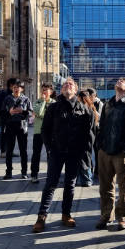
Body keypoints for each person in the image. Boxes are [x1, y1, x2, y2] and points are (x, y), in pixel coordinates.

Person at [32, 78, 94, 233]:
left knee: (70, 185)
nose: (68, 85)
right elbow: (45, 130)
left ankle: (66, 214)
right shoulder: (54, 107)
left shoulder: (83, 108)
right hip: (56, 152)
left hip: (74, 153)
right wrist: (50, 148)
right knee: (50, 184)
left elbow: (88, 133)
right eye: (65, 84)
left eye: (71, 84)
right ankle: (42, 216)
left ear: (76, 90)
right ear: (61, 90)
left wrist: (83, 152)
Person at [95, 77, 125, 231]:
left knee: (123, 187)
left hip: (121, 153)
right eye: (118, 80)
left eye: (123, 81)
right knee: (105, 186)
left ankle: (123, 217)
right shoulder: (107, 104)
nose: (119, 81)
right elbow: (101, 127)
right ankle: (106, 215)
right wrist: (100, 146)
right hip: (105, 151)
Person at [2, 80, 33, 180]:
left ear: (22, 89)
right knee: (9, 151)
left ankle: (24, 172)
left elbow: (31, 113)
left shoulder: (26, 99)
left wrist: (22, 111)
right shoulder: (7, 99)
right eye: (14, 87)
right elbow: (2, 113)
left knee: (23, 150)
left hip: (22, 127)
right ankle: (8, 172)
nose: (16, 89)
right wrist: (9, 112)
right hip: (10, 126)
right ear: (12, 88)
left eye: (18, 87)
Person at [30, 84, 55, 183]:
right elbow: (38, 112)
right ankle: (34, 175)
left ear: (51, 92)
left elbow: (52, 117)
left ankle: (51, 174)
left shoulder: (54, 103)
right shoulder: (37, 102)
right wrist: (44, 101)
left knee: (51, 154)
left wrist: (43, 116)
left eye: (46, 90)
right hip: (38, 131)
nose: (44, 92)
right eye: (43, 90)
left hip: (50, 132)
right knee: (36, 154)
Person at [76, 90, 99, 187]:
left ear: (80, 98)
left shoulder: (84, 109)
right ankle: (85, 178)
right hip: (90, 137)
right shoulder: (91, 108)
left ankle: (87, 179)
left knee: (84, 158)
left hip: (84, 137)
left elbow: (84, 126)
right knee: (86, 157)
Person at [0, 78, 17, 159]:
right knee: (4, 134)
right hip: (5, 118)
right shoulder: (3, 94)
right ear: (11, 85)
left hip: (15, 118)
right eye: (15, 85)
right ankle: (3, 152)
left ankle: (11, 151)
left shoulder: (15, 93)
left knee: (13, 135)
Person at [88, 88, 103, 178]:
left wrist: (93, 109)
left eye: (92, 96)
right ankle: (90, 169)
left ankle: (97, 170)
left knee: (97, 151)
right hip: (89, 130)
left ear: (95, 96)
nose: (90, 98)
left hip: (97, 130)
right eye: (89, 96)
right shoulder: (85, 103)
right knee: (88, 151)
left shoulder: (99, 103)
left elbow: (100, 116)